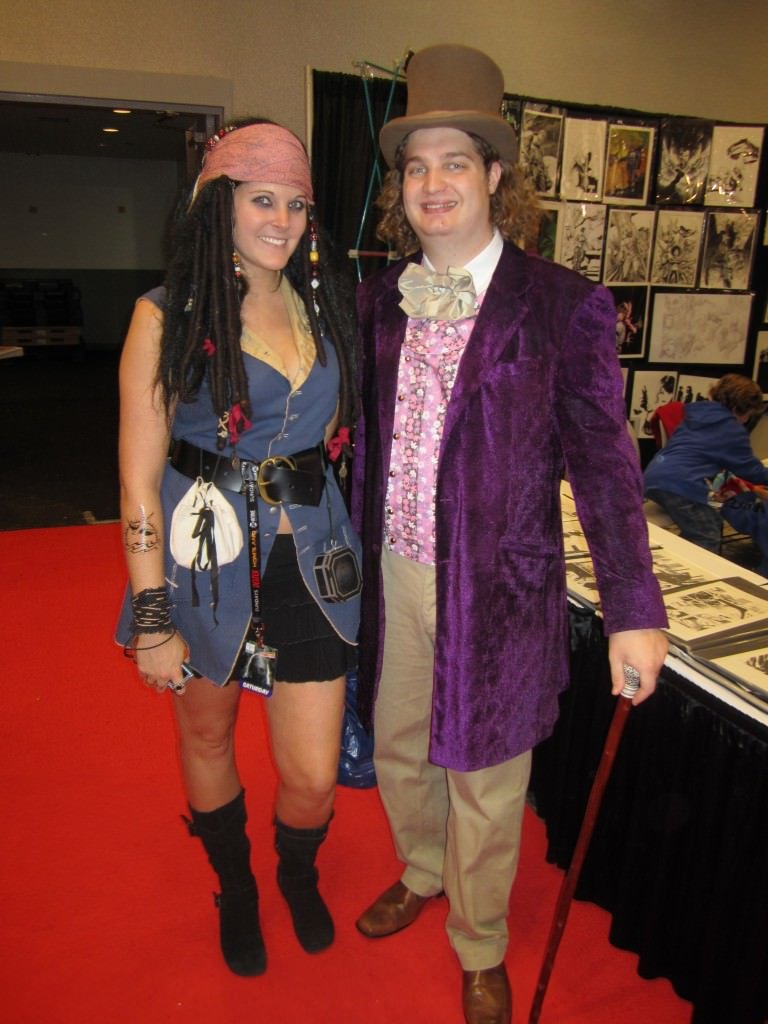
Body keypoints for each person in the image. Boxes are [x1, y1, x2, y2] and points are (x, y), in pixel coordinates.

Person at [350, 44, 668, 1024]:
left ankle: (480, 938)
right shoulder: (378, 299)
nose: (432, 184)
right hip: (393, 567)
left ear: (494, 175)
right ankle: (420, 867)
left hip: (499, 586)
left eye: (455, 162)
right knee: (401, 746)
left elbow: (607, 467)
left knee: (486, 773)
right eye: (416, 166)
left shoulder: (563, 305)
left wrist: (635, 609)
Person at [115, 118, 361, 977]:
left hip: (312, 558)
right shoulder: (165, 317)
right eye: (261, 200)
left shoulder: (326, 304)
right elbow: (138, 481)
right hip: (203, 561)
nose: (281, 221)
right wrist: (152, 615)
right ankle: (236, 885)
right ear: (217, 204)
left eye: (296, 204)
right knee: (210, 735)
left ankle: (296, 871)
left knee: (314, 773)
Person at [644, 374, 768, 553]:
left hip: (655, 475)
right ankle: (687, 567)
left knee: (706, 522)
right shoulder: (731, 429)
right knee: (706, 535)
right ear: (738, 408)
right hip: (682, 484)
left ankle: (677, 556)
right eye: (747, 415)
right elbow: (749, 469)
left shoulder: (695, 416)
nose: (746, 421)